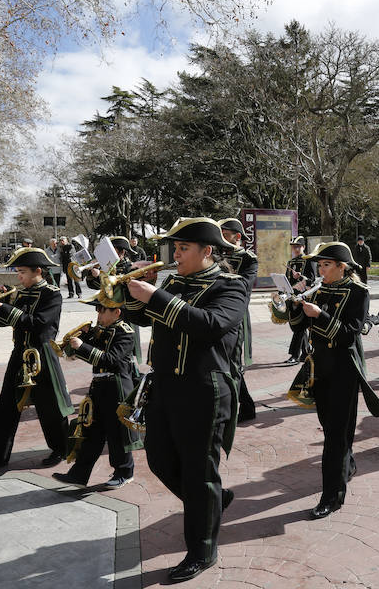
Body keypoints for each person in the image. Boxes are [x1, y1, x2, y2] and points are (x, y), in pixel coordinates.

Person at [123, 217, 247, 583]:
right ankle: (213, 500)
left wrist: (155, 296)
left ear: (207, 251)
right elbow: (143, 318)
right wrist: (123, 291)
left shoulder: (231, 286)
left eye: (183, 249)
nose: (175, 255)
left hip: (205, 391)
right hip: (165, 386)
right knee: (160, 459)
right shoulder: (174, 281)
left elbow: (209, 324)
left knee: (198, 472)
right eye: (174, 248)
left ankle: (202, 549)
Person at [288, 242, 379, 519]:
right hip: (320, 367)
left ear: (341, 266)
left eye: (326, 265)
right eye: (319, 265)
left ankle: (332, 496)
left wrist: (320, 314)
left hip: (345, 369)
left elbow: (349, 333)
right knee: (332, 428)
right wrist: (292, 302)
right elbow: (298, 327)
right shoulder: (319, 289)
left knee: (334, 436)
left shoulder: (359, 292)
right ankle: (347, 463)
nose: (320, 270)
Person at [0, 248, 73, 468]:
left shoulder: (52, 294)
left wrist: (6, 308)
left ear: (38, 271)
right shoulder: (20, 292)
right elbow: (4, 321)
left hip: (42, 356)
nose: (19, 276)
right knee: (6, 407)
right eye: (18, 272)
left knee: (51, 408)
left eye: (23, 272)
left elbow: (38, 323)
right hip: (20, 355)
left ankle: (61, 449)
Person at [52, 298, 142, 488]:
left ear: (117, 312)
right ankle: (79, 474)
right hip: (99, 387)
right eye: (98, 311)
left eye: (103, 311)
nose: (98, 315)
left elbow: (110, 359)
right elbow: (77, 355)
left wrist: (82, 346)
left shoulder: (125, 332)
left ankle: (124, 472)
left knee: (116, 434)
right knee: (92, 432)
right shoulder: (101, 331)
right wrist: (83, 339)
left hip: (116, 388)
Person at [218, 218, 258, 422]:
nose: (221, 239)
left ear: (237, 237)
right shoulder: (216, 254)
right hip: (216, 313)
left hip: (235, 314)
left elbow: (244, 287)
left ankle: (241, 408)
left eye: (225, 234)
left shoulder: (248, 259)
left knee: (233, 363)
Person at [284, 235, 316, 364]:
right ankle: (305, 353)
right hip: (292, 297)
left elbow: (312, 280)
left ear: (303, 247)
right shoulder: (290, 262)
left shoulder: (309, 260)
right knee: (298, 327)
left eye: (298, 247)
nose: (295, 249)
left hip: (305, 298)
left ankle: (294, 355)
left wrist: (300, 276)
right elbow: (287, 280)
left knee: (299, 327)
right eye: (293, 247)